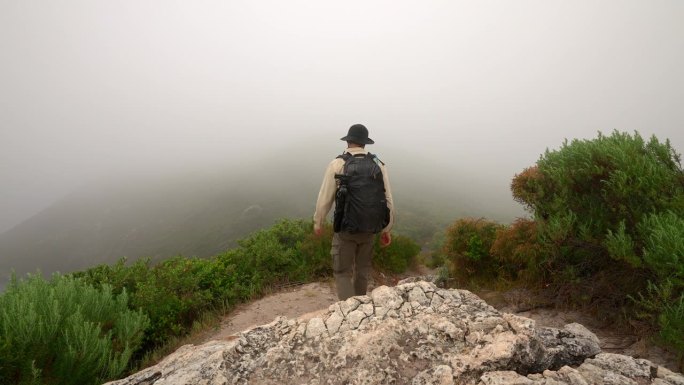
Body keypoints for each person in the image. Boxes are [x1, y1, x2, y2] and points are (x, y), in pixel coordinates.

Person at [313, 124, 394, 300]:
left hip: (345, 230)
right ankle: (361, 309)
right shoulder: (378, 164)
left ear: (348, 141)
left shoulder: (338, 163)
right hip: (370, 229)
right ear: (365, 143)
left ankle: (349, 314)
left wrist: (318, 222)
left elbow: (325, 197)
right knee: (362, 271)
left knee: (342, 272)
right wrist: (387, 229)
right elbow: (387, 198)